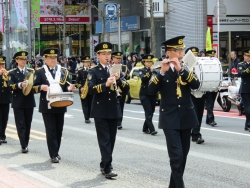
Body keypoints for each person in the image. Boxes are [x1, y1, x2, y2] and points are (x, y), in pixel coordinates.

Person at [148, 36, 200, 188]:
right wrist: (162, 73)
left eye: (182, 50)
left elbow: (196, 85)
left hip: (187, 116)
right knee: (176, 156)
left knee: (182, 156)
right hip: (169, 117)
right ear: (169, 52)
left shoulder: (185, 67)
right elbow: (150, 91)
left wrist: (181, 69)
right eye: (178, 51)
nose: (181, 53)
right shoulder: (159, 69)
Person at [88, 42, 129, 178]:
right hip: (100, 109)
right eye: (104, 54)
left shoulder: (116, 69)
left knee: (111, 139)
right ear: (98, 55)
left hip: (113, 109)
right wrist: (105, 84)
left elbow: (126, 88)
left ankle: (104, 162)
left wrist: (119, 80)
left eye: (108, 53)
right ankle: (108, 167)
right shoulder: (93, 71)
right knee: (104, 139)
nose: (107, 56)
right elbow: (91, 89)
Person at [33, 48, 74, 163]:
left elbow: (66, 86)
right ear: (45, 58)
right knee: (51, 130)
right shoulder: (40, 71)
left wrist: (69, 88)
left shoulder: (63, 71)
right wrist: (41, 87)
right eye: (50, 58)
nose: (53, 60)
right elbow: (33, 88)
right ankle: (53, 154)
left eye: (55, 57)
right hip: (47, 105)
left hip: (61, 103)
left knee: (59, 130)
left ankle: (56, 151)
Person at [8, 51, 36, 153]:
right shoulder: (12, 72)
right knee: (21, 124)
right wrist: (20, 85)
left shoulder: (31, 71)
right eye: (21, 59)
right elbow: (10, 86)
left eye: (25, 59)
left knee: (28, 124)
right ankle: (23, 145)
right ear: (17, 61)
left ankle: (26, 143)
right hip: (18, 102)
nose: (23, 61)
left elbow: (35, 85)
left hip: (29, 101)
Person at [185, 47, 205, 144]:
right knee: (194, 114)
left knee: (199, 114)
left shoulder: (201, 65)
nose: (195, 56)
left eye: (196, 54)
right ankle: (196, 134)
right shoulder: (185, 66)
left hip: (201, 92)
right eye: (193, 55)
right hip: (190, 93)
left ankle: (195, 133)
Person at [139, 54, 157, 135]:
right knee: (148, 111)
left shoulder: (155, 70)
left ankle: (145, 127)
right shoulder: (141, 70)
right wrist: (150, 71)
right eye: (147, 62)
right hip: (144, 94)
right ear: (144, 62)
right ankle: (152, 129)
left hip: (153, 93)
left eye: (150, 62)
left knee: (152, 111)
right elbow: (143, 78)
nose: (149, 63)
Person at [111, 51, 130, 129]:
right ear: (113, 58)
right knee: (113, 106)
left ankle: (119, 122)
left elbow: (128, 77)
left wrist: (125, 75)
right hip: (112, 89)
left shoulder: (124, 67)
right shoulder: (110, 66)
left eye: (120, 58)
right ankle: (114, 121)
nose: (119, 60)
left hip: (121, 89)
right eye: (117, 58)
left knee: (121, 106)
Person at [75, 56, 93, 124]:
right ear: (83, 63)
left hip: (91, 90)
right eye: (86, 62)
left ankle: (89, 115)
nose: (87, 63)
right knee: (85, 104)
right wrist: (80, 87)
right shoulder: (80, 71)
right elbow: (77, 82)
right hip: (83, 90)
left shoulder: (92, 70)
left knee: (90, 104)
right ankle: (86, 118)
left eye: (88, 62)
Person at [237, 48, 250, 131]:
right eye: (247, 56)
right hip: (245, 89)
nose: (249, 57)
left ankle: (247, 125)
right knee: (248, 107)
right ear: (244, 56)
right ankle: (248, 124)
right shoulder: (241, 64)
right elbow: (242, 74)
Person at [0, 56, 12, 144]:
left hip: (5, 99)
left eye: (3, 64)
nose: (2, 66)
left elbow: (11, 86)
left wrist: (7, 77)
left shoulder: (8, 74)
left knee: (4, 118)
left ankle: (3, 135)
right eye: (0, 64)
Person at [205, 50, 217, 126]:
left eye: (212, 56)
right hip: (207, 86)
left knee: (211, 103)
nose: (211, 58)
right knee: (209, 103)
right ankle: (211, 119)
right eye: (210, 56)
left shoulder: (215, 64)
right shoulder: (204, 64)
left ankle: (208, 119)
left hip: (214, 86)